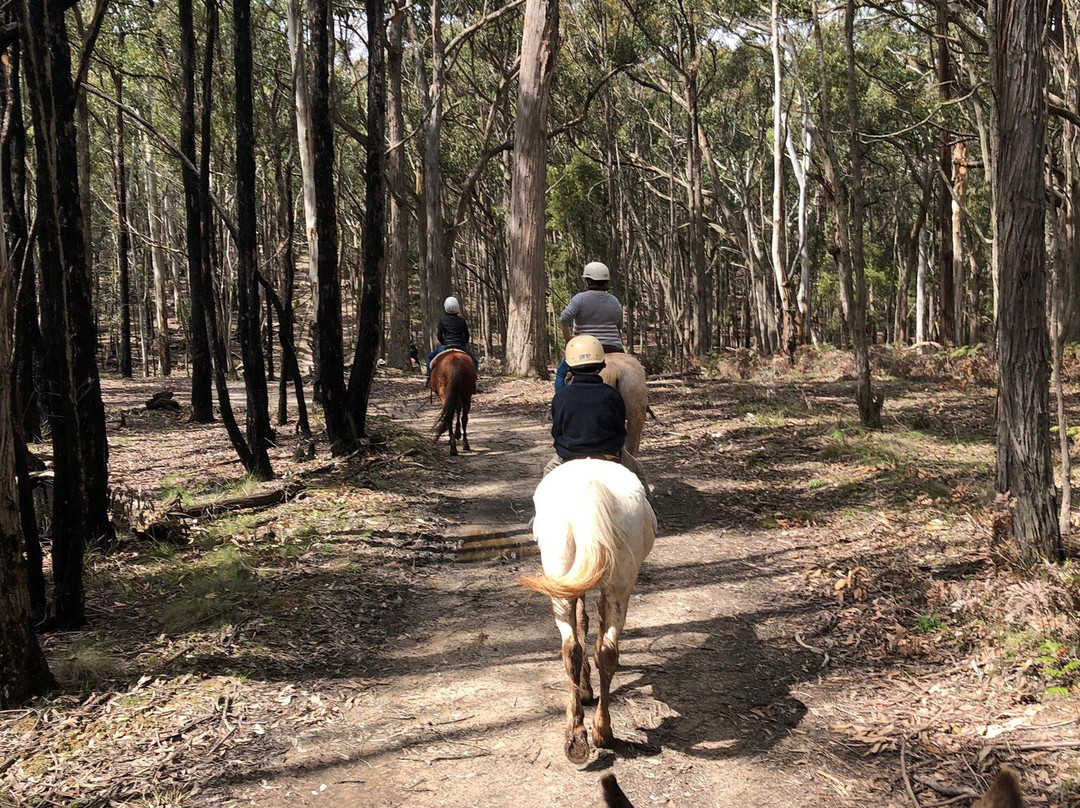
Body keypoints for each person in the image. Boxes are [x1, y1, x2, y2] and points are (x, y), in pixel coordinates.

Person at [544, 335, 650, 499]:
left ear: (570, 366)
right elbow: (619, 428)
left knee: (548, 474)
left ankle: (539, 517)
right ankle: (650, 511)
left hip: (570, 454)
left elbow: (557, 432)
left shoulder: (560, 397)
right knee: (638, 472)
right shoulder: (612, 395)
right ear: (601, 365)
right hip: (608, 452)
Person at [555, 261, 624, 392]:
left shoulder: (580, 298)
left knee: (560, 374)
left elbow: (564, 318)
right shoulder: (614, 300)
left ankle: (559, 405)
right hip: (614, 348)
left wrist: (568, 338)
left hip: (586, 351)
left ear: (588, 281)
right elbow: (619, 324)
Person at [426, 296, 479, 386]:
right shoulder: (462, 320)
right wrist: (463, 344)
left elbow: (439, 335)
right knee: (475, 362)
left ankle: (428, 378)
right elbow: (466, 335)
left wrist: (444, 343)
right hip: (460, 346)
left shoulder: (442, 320)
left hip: (446, 345)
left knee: (429, 358)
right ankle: (474, 382)